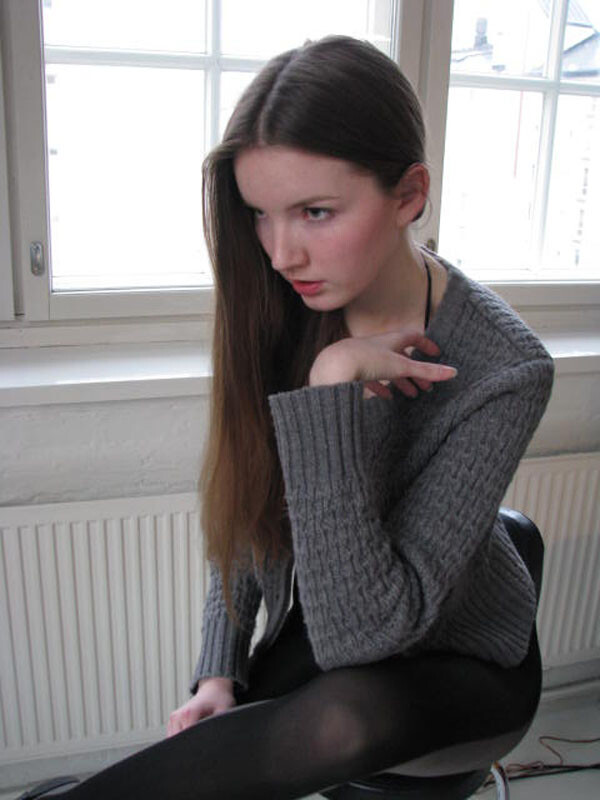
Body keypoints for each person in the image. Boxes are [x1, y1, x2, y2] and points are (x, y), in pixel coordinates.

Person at [19, 34, 554, 800]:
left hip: (461, 656)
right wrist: (218, 667)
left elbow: (371, 634)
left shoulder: (507, 367)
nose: (280, 254)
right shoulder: (281, 312)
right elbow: (249, 508)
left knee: (343, 721)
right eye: (261, 216)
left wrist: (330, 388)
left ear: (409, 195)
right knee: (246, 728)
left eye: (315, 212)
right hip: (339, 614)